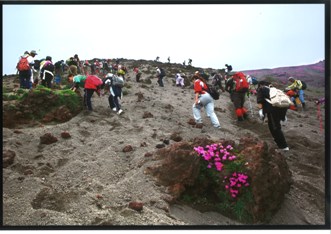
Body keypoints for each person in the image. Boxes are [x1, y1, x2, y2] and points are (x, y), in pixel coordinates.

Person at [256, 81, 289, 151]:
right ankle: (278, 142)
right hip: (282, 109)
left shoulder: (261, 89)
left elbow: (260, 101)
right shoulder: (275, 90)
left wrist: (261, 112)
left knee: (275, 128)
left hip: (272, 110)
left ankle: (283, 146)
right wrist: (283, 116)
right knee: (275, 126)